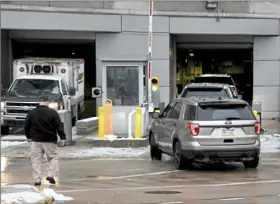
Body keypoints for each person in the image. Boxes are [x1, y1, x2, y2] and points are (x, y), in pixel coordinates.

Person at [24, 95, 66, 186]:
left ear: (39, 102)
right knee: (53, 157)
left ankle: (37, 180)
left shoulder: (32, 113)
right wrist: (63, 137)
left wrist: (28, 136)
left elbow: (26, 125)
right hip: (49, 140)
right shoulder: (53, 113)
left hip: (36, 140)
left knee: (35, 160)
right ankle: (50, 174)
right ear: (47, 102)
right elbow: (59, 126)